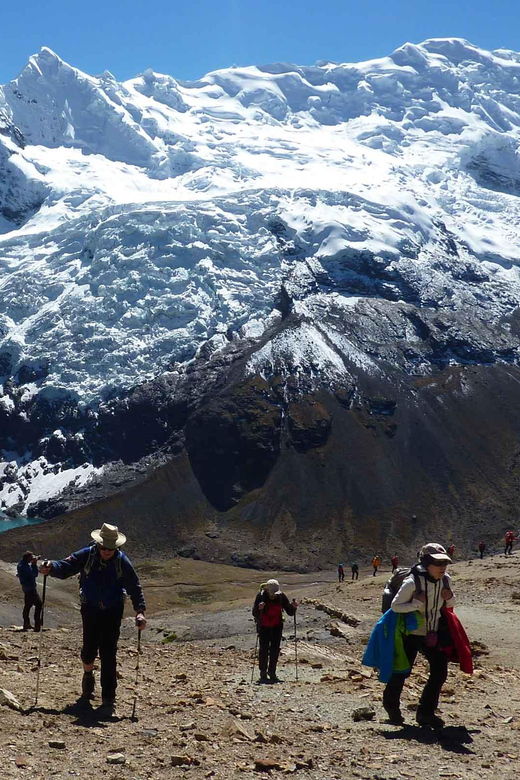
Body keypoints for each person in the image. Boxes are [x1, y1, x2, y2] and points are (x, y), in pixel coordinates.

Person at [39, 523, 146, 714]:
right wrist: (51, 567)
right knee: (89, 648)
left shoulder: (122, 561)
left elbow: (134, 586)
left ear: (117, 547)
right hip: (90, 608)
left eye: (111, 548)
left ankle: (108, 697)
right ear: (98, 544)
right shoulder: (86, 554)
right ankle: (88, 675)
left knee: (108, 652)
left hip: (113, 611)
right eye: (104, 547)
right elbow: (66, 567)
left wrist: (140, 610)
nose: (107, 551)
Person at [381, 542, 454, 727]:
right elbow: (395, 606)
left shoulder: (446, 580)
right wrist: (415, 604)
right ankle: (392, 708)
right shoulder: (412, 582)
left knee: (439, 671)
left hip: (433, 631)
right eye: (438, 563)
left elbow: (450, 604)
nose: (442, 567)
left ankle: (426, 713)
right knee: (402, 671)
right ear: (426, 563)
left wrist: (449, 598)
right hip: (411, 632)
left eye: (444, 563)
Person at [252, 579, 297, 683]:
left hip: (277, 627)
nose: (274, 595)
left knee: (275, 650)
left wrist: (293, 607)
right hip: (263, 627)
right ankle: (263, 673)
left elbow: (289, 612)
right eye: (272, 593)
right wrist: (259, 608)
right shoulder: (261, 596)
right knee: (263, 650)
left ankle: (272, 672)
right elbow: (254, 613)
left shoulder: (281, 596)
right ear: (267, 589)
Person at [17, 550, 42, 632]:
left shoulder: (22, 564)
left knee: (28, 606)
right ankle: (37, 626)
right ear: (27, 558)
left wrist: (33, 562)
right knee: (39, 604)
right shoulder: (24, 566)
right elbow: (34, 574)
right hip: (30, 589)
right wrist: (34, 564)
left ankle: (26, 624)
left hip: (27, 588)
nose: (32, 559)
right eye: (31, 558)